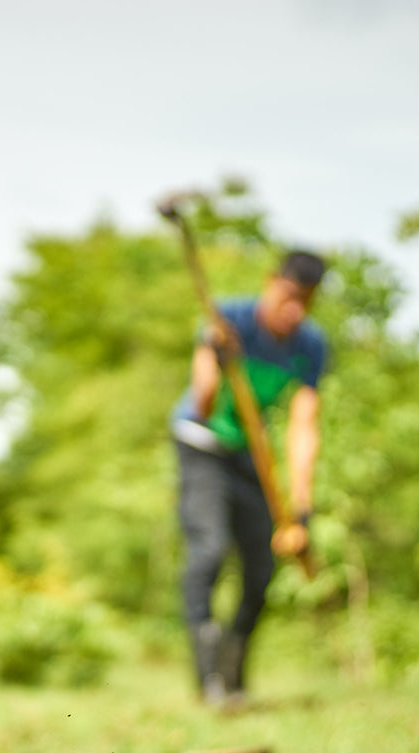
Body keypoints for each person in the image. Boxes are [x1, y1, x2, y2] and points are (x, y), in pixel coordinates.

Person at [168, 251, 326, 707]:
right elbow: (202, 402)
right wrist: (216, 358)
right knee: (210, 549)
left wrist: (300, 507)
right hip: (200, 442)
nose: (295, 310)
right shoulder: (228, 319)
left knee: (261, 569)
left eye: (307, 302)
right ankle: (209, 679)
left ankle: (234, 676)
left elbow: (303, 426)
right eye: (289, 296)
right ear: (270, 282)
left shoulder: (309, 345)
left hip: (250, 455)